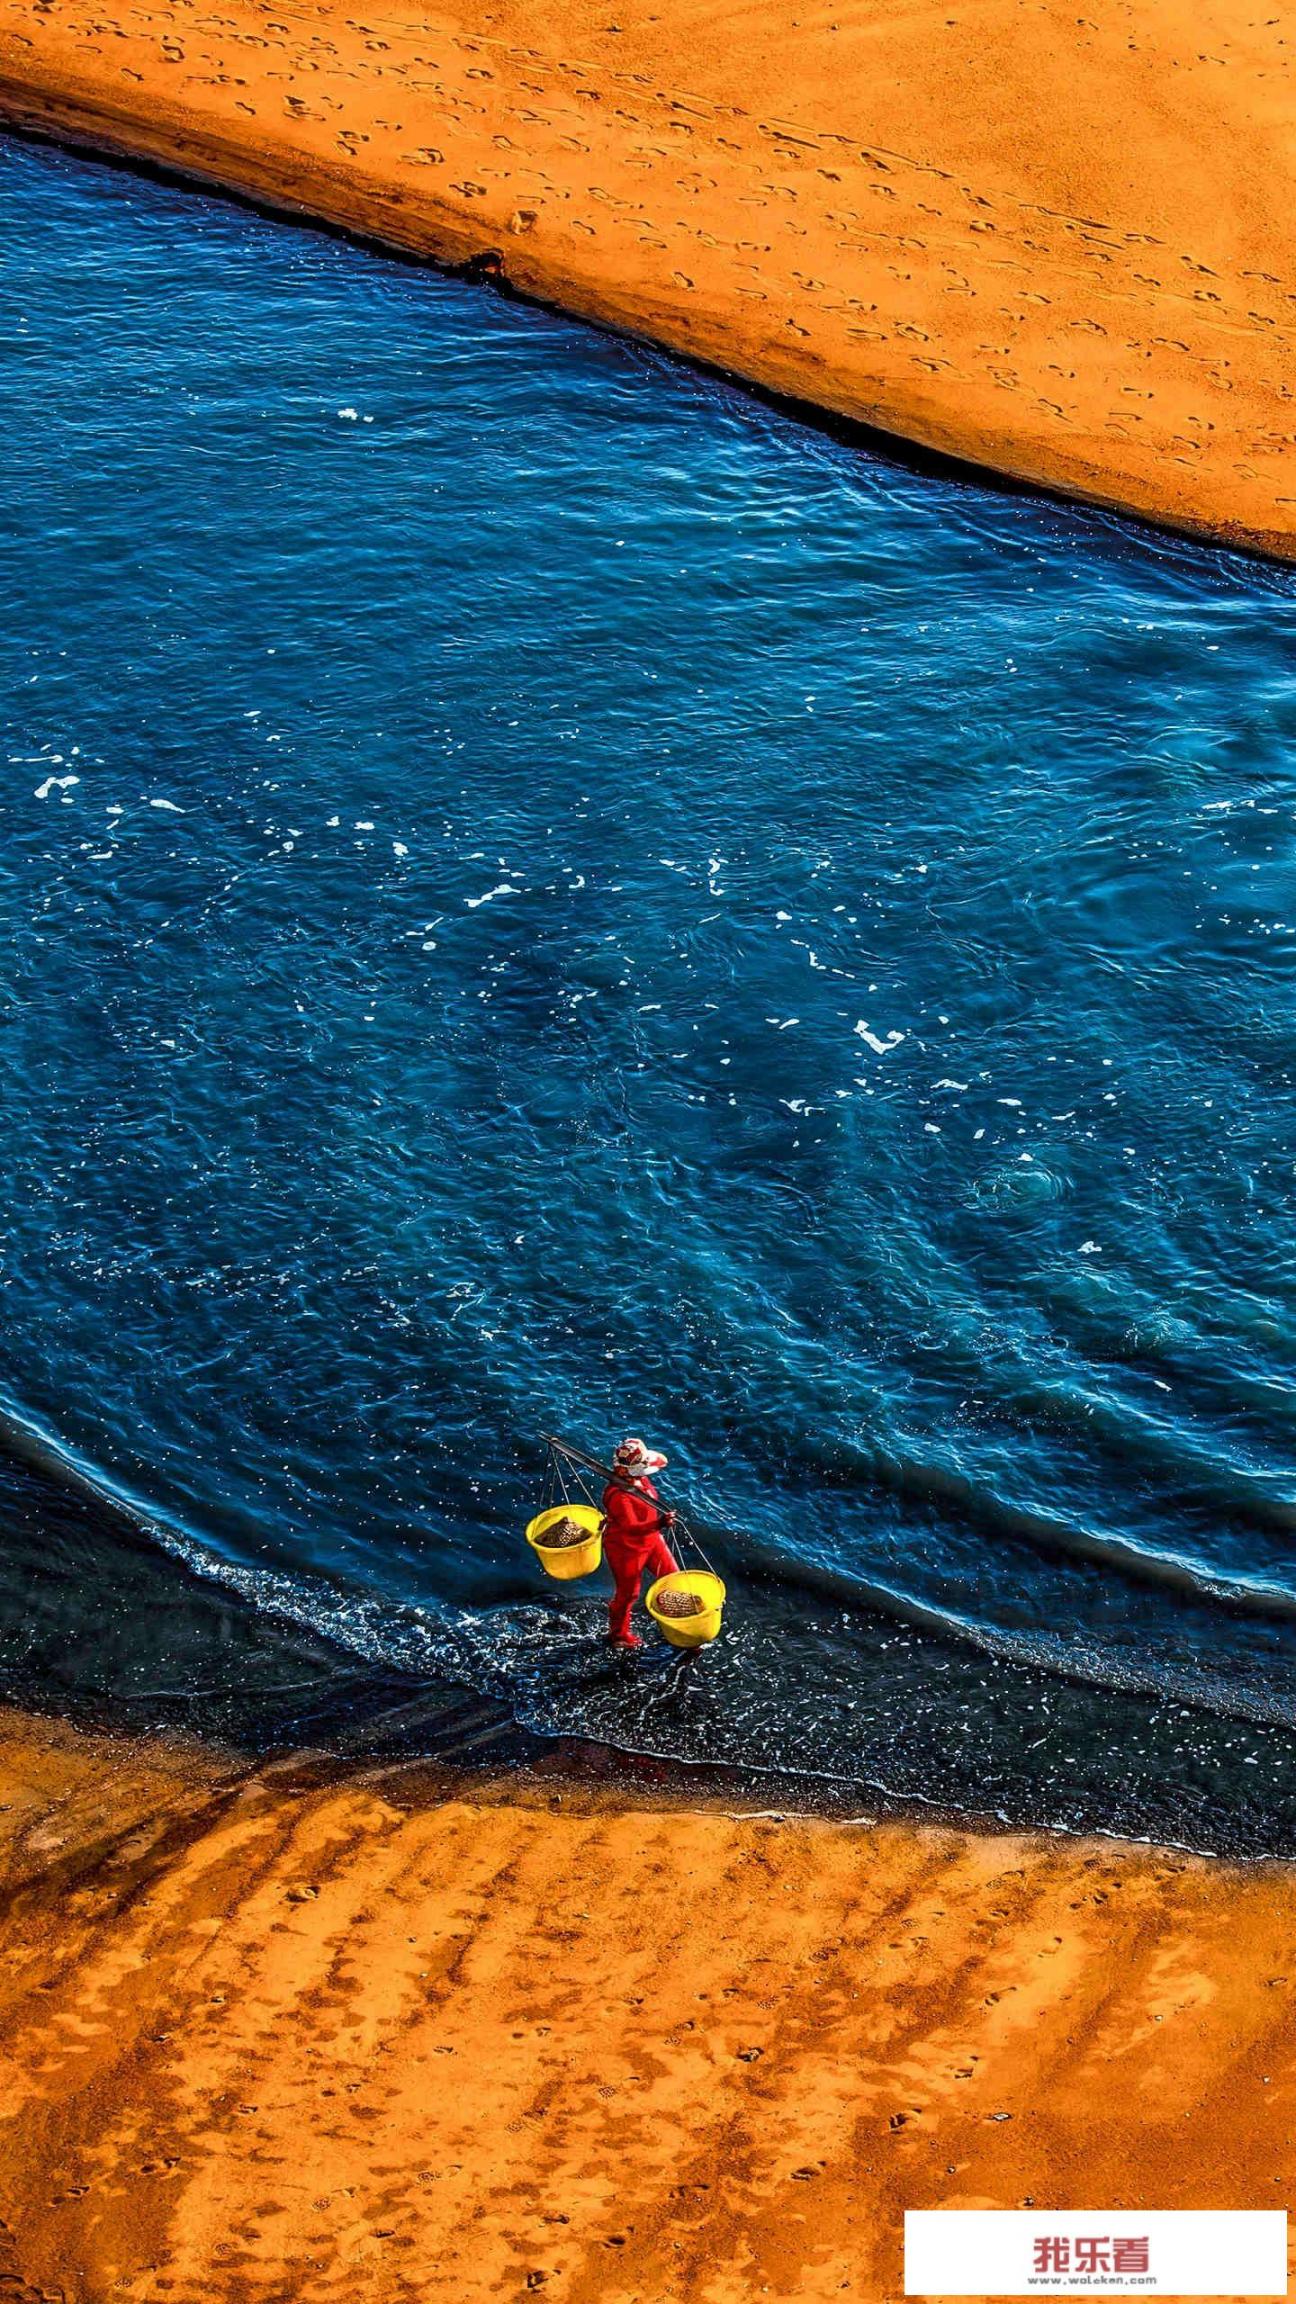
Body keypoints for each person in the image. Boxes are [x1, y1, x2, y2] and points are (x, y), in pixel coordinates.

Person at [602, 1436, 677, 1649]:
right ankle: (618, 1635)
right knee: (628, 1594)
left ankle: (675, 1621)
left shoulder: (640, 1480)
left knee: (672, 1579)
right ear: (624, 1471)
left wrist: (656, 1527)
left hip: (651, 1540)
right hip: (625, 1548)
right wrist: (660, 1523)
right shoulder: (619, 1496)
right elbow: (630, 1528)